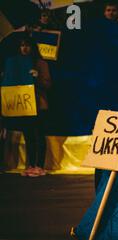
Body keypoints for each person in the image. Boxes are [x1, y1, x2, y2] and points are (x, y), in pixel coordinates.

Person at [13, 38, 51, 177]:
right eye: (22, 45)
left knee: (39, 135)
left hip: (39, 105)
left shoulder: (41, 63)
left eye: (27, 46)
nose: (24, 48)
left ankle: (40, 166)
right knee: (28, 136)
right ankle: (30, 165)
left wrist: (38, 76)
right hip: (24, 106)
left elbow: (48, 84)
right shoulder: (16, 63)